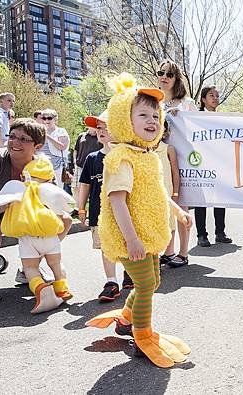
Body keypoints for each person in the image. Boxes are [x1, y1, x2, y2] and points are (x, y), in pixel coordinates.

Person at [85, 73, 193, 368]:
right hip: (129, 236)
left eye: (156, 115)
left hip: (149, 233)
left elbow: (158, 192)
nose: (152, 120)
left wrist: (178, 211)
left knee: (153, 281)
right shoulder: (122, 157)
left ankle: (127, 318)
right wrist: (131, 239)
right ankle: (141, 335)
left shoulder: (147, 154)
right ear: (123, 120)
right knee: (145, 285)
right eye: (143, 114)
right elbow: (117, 200)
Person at [0, 118, 72, 303]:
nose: (15, 142)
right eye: (12, 136)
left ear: (37, 146)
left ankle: (29, 268)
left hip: (30, 215)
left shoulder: (42, 166)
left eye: (23, 139)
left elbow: (51, 201)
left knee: (64, 220)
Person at [0, 156, 75, 314]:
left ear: (23, 176)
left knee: (30, 268)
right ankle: (62, 288)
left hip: (27, 237)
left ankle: (40, 288)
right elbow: (69, 204)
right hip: (49, 233)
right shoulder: (48, 189)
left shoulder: (16, 187)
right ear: (49, 178)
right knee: (56, 264)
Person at [78, 111, 133, 302]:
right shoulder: (92, 158)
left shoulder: (127, 156)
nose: (101, 131)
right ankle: (111, 282)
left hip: (125, 211)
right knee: (106, 247)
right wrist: (81, 209)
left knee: (126, 242)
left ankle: (129, 273)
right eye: (99, 128)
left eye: (106, 127)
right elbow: (84, 185)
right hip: (98, 213)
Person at [157, 59, 196, 265]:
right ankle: (167, 250)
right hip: (159, 158)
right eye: (160, 73)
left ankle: (183, 253)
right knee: (163, 205)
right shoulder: (153, 101)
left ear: (176, 78)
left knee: (181, 206)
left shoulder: (187, 103)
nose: (164, 77)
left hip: (184, 160)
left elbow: (199, 132)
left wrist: (182, 117)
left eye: (169, 74)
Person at [194, 86, 232, 247]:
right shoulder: (194, 117)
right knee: (201, 201)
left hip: (218, 163)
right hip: (200, 163)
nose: (215, 98)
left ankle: (220, 232)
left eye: (217, 95)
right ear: (203, 99)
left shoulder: (221, 118)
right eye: (211, 95)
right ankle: (201, 235)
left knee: (220, 199)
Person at [155, 122, 187, 267]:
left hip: (167, 191)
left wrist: (175, 192)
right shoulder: (144, 150)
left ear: (165, 132)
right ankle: (157, 254)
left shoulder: (168, 149)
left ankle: (169, 252)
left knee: (170, 223)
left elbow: (175, 172)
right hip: (150, 193)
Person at [39, 108, 70, 189]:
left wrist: (48, 137)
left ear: (55, 119)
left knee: (57, 188)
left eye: (49, 118)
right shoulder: (39, 131)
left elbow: (62, 146)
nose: (46, 120)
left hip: (57, 164)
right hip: (42, 163)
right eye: (44, 118)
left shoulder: (61, 131)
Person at [73, 126, 102, 214]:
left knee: (92, 188)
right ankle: (77, 208)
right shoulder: (82, 136)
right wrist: (75, 160)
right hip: (80, 165)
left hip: (93, 166)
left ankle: (90, 210)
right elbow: (76, 149)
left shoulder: (100, 137)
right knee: (76, 187)